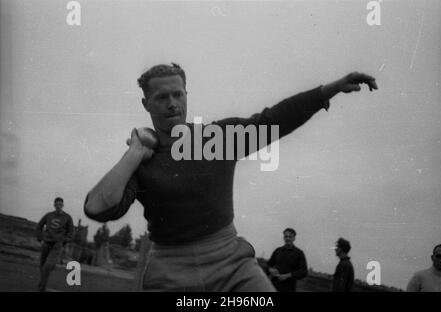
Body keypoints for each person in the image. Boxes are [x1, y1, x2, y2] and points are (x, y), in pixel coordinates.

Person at [84, 63, 377, 291]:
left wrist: (329, 90)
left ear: (187, 95)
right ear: (145, 104)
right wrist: (135, 151)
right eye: (161, 97)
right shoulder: (142, 161)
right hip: (170, 272)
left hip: (231, 264)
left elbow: (273, 120)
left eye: (178, 94)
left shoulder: (217, 138)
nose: (172, 103)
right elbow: (97, 207)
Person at [36, 197, 74, 291]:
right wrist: (40, 238)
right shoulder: (48, 215)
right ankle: (42, 284)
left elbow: (71, 232)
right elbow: (39, 226)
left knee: (47, 266)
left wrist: (64, 241)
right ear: (54, 205)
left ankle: (41, 288)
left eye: (60, 205)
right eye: (57, 204)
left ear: (63, 205)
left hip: (57, 245)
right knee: (42, 266)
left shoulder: (67, 217)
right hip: (46, 243)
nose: (58, 206)